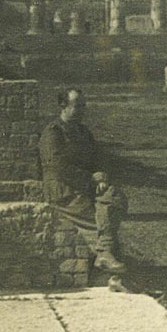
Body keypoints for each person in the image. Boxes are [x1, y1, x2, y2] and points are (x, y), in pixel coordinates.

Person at [39, 88, 128, 278]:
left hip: (83, 187)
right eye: (77, 106)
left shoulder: (82, 131)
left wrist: (100, 175)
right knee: (102, 222)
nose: (82, 110)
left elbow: (97, 157)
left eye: (83, 106)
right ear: (62, 107)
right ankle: (106, 260)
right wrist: (90, 180)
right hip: (63, 192)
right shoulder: (53, 133)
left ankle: (105, 257)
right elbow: (57, 167)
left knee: (115, 198)